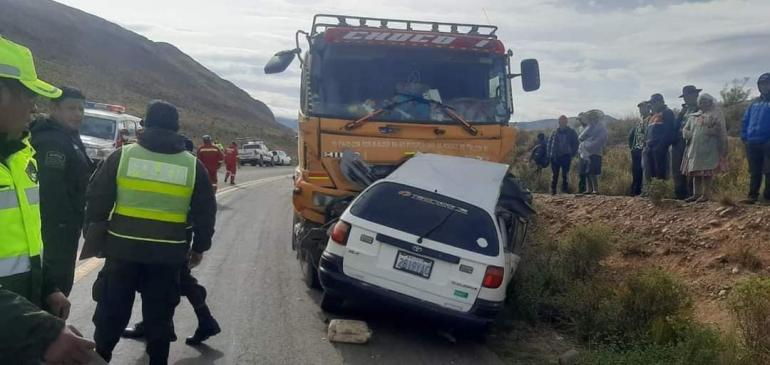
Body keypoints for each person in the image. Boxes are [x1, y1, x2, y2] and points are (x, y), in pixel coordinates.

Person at [85, 100, 217, 364]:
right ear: (176, 128)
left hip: (122, 252)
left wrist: (95, 238)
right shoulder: (192, 166)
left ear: (145, 124)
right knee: (159, 317)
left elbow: (97, 200)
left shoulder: (121, 156)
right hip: (167, 256)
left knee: (112, 313)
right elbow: (205, 211)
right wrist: (200, 248)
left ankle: (101, 357)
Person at [1, 35, 93, 363]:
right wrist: (44, 333)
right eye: (28, 94)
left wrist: (47, 288)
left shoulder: (19, 156)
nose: (34, 106)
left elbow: (23, 240)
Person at [30, 86, 94, 297]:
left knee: (60, 286)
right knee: (54, 289)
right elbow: (51, 192)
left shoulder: (68, 136)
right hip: (54, 232)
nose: (78, 114)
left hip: (65, 228)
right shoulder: (52, 141)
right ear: (54, 109)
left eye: (81, 109)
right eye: (71, 108)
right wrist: (65, 224)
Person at [681, 94, 728, 202]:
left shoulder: (715, 115)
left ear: (710, 103)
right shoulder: (694, 116)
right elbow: (685, 129)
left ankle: (706, 195)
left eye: (706, 102)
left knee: (707, 172)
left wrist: (708, 130)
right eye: (701, 102)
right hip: (695, 148)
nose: (703, 104)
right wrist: (688, 133)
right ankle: (696, 194)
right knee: (695, 172)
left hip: (709, 148)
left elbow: (719, 130)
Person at [740, 73, 770, 204]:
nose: (765, 86)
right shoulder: (753, 103)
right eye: (762, 84)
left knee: (769, 170)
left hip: (768, 141)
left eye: (767, 83)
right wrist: (744, 137)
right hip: (752, 141)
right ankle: (752, 196)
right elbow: (745, 120)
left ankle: (768, 197)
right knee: (754, 170)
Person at [672, 85, 701, 200]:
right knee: (677, 168)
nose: (687, 98)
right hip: (679, 141)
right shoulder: (683, 110)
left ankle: (692, 195)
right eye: (685, 96)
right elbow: (676, 125)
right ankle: (680, 195)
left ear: (696, 95)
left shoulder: (701, 108)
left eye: (690, 95)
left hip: (693, 141)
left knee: (692, 168)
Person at [646, 93, 677, 180]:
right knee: (652, 173)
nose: (651, 105)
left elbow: (669, 131)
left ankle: (661, 191)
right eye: (651, 103)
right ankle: (653, 191)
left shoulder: (667, 112)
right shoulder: (653, 115)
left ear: (660, 102)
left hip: (660, 148)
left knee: (660, 172)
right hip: (650, 148)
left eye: (653, 103)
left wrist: (661, 146)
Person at [578, 110, 608, 194]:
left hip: (595, 152)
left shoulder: (601, 127)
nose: (591, 119)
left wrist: (589, 145)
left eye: (593, 117)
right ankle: (589, 189)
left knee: (592, 171)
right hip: (586, 152)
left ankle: (595, 189)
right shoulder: (589, 127)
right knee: (587, 171)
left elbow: (601, 139)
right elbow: (581, 137)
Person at [547, 115, 579, 194]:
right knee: (555, 174)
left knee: (565, 174)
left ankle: (564, 190)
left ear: (566, 122)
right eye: (560, 121)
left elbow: (576, 143)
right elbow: (549, 143)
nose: (561, 123)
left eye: (563, 121)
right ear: (559, 122)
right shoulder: (554, 132)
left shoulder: (571, 132)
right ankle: (553, 190)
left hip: (566, 156)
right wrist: (549, 154)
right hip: (555, 156)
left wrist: (573, 153)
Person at [630, 102, 651, 196]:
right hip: (636, 150)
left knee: (644, 171)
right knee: (636, 171)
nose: (641, 111)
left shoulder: (650, 119)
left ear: (648, 108)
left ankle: (644, 191)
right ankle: (635, 191)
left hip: (644, 149)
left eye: (643, 108)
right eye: (640, 109)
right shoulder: (640, 121)